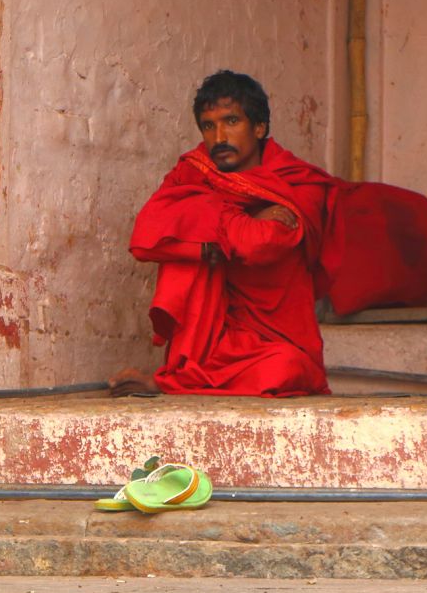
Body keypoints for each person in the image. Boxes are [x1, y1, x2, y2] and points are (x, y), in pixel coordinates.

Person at [110, 71, 337, 397]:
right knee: (187, 244)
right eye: (208, 126)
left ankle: (170, 384)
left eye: (231, 121)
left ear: (259, 127)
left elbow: (259, 245)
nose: (219, 136)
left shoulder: (298, 184)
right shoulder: (192, 173)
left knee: (287, 368)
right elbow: (147, 236)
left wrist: (206, 228)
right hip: (213, 342)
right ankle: (179, 378)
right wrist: (241, 215)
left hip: (275, 344)